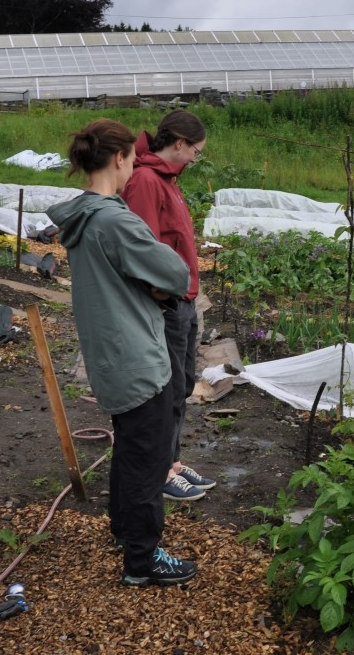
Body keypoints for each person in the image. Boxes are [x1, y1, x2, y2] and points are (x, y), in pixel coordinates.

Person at [45, 118, 197, 586]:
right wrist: (153, 287)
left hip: (110, 353)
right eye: (132, 159)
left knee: (130, 451)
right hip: (137, 357)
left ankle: (123, 531)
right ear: (118, 159)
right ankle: (143, 560)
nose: (135, 168)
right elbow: (175, 273)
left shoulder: (83, 216)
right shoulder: (115, 219)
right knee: (148, 462)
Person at [121, 109, 217, 502]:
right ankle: (160, 468)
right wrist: (162, 293)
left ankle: (172, 462)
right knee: (165, 390)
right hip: (168, 303)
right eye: (196, 149)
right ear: (179, 143)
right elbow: (142, 245)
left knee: (180, 387)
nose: (196, 157)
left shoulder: (168, 178)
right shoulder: (146, 180)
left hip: (184, 299)